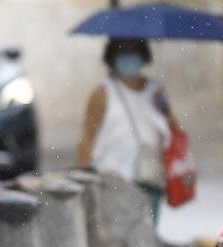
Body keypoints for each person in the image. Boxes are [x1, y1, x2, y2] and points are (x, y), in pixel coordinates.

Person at [76, 38, 181, 223]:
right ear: (112, 57)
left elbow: (173, 130)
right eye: (123, 52)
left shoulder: (156, 91)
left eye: (133, 51)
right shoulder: (102, 93)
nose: (129, 57)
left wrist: (164, 109)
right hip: (112, 181)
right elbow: (87, 137)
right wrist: (82, 179)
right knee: (118, 241)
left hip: (149, 177)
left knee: (147, 242)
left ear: (143, 55)